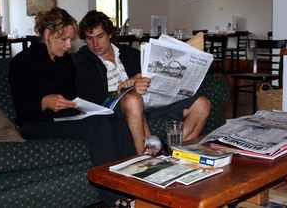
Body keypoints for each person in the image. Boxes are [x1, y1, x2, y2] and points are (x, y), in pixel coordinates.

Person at [9, 7, 135, 167]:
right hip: (36, 123)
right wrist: (44, 102)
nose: (69, 45)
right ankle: (111, 187)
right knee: (97, 124)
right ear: (48, 35)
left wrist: (83, 105)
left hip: (66, 117)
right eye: (64, 39)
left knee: (115, 119)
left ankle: (132, 176)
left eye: (71, 39)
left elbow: (74, 95)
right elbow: (22, 110)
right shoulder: (23, 61)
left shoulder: (65, 61)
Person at [74, 10, 211, 154]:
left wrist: (145, 78)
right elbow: (91, 98)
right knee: (133, 99)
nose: (95, 43)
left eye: (100, 36)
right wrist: (125, 88)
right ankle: (145, 158)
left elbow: (151, 74)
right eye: (89, 38)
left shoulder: (129, 53)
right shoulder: (82, 61)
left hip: (151, 100)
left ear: (109, 34)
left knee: (202, 104)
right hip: (122, 106)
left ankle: (175, 153)